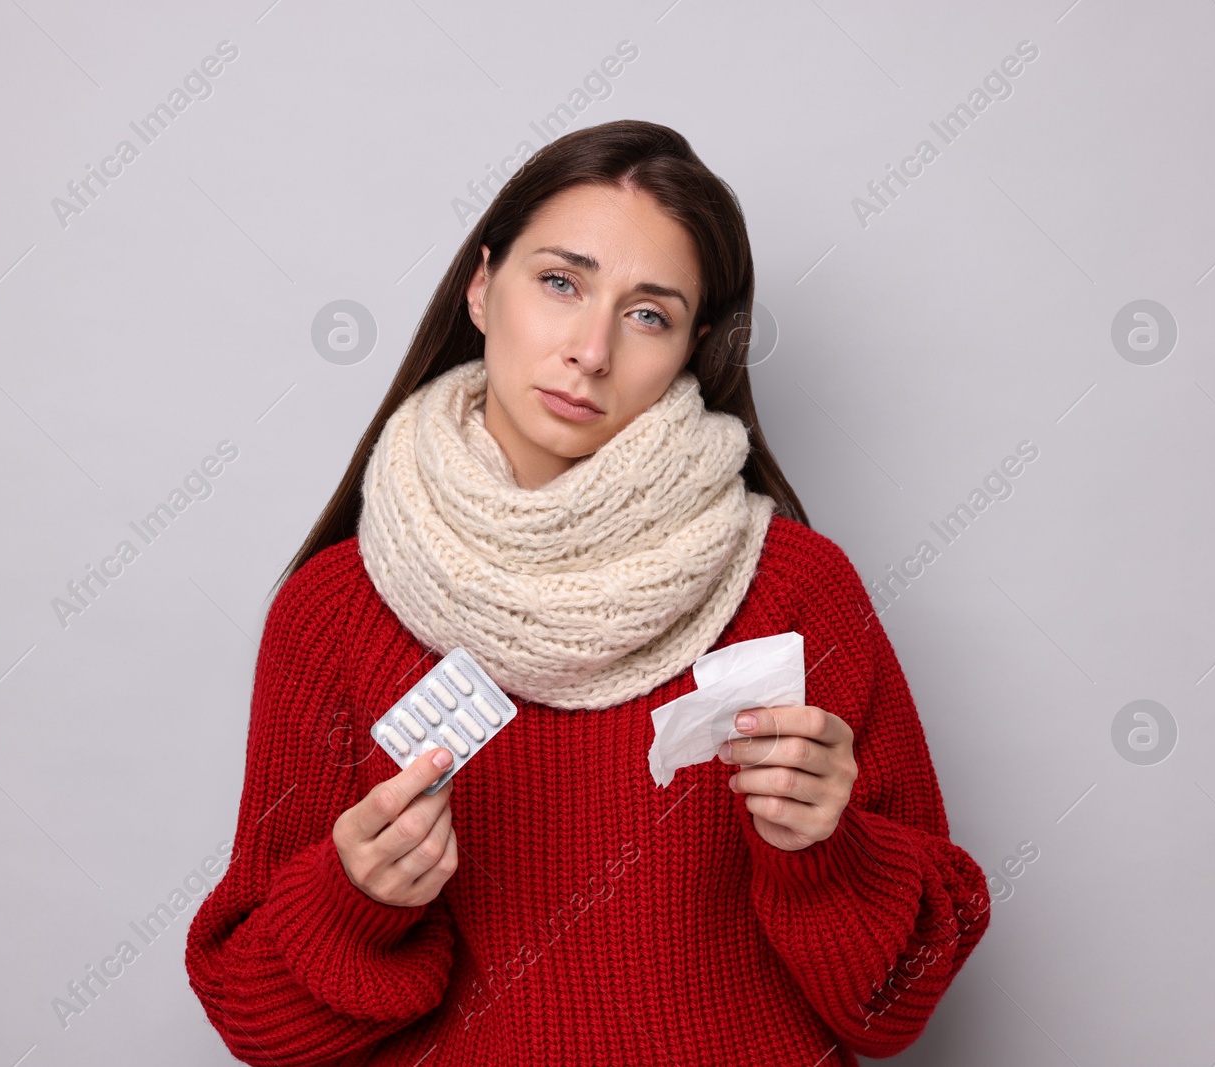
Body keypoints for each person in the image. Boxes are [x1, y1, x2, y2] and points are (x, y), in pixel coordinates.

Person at [184, 119, 990, 1066]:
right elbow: (252, 1017)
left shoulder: (799, 588)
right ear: (483, 287)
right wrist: (356, 901)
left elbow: (897, 1006)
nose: (591, 349)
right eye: (560, 282)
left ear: (692, 348)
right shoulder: (333, 610)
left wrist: (828, 849)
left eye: (649, 313)